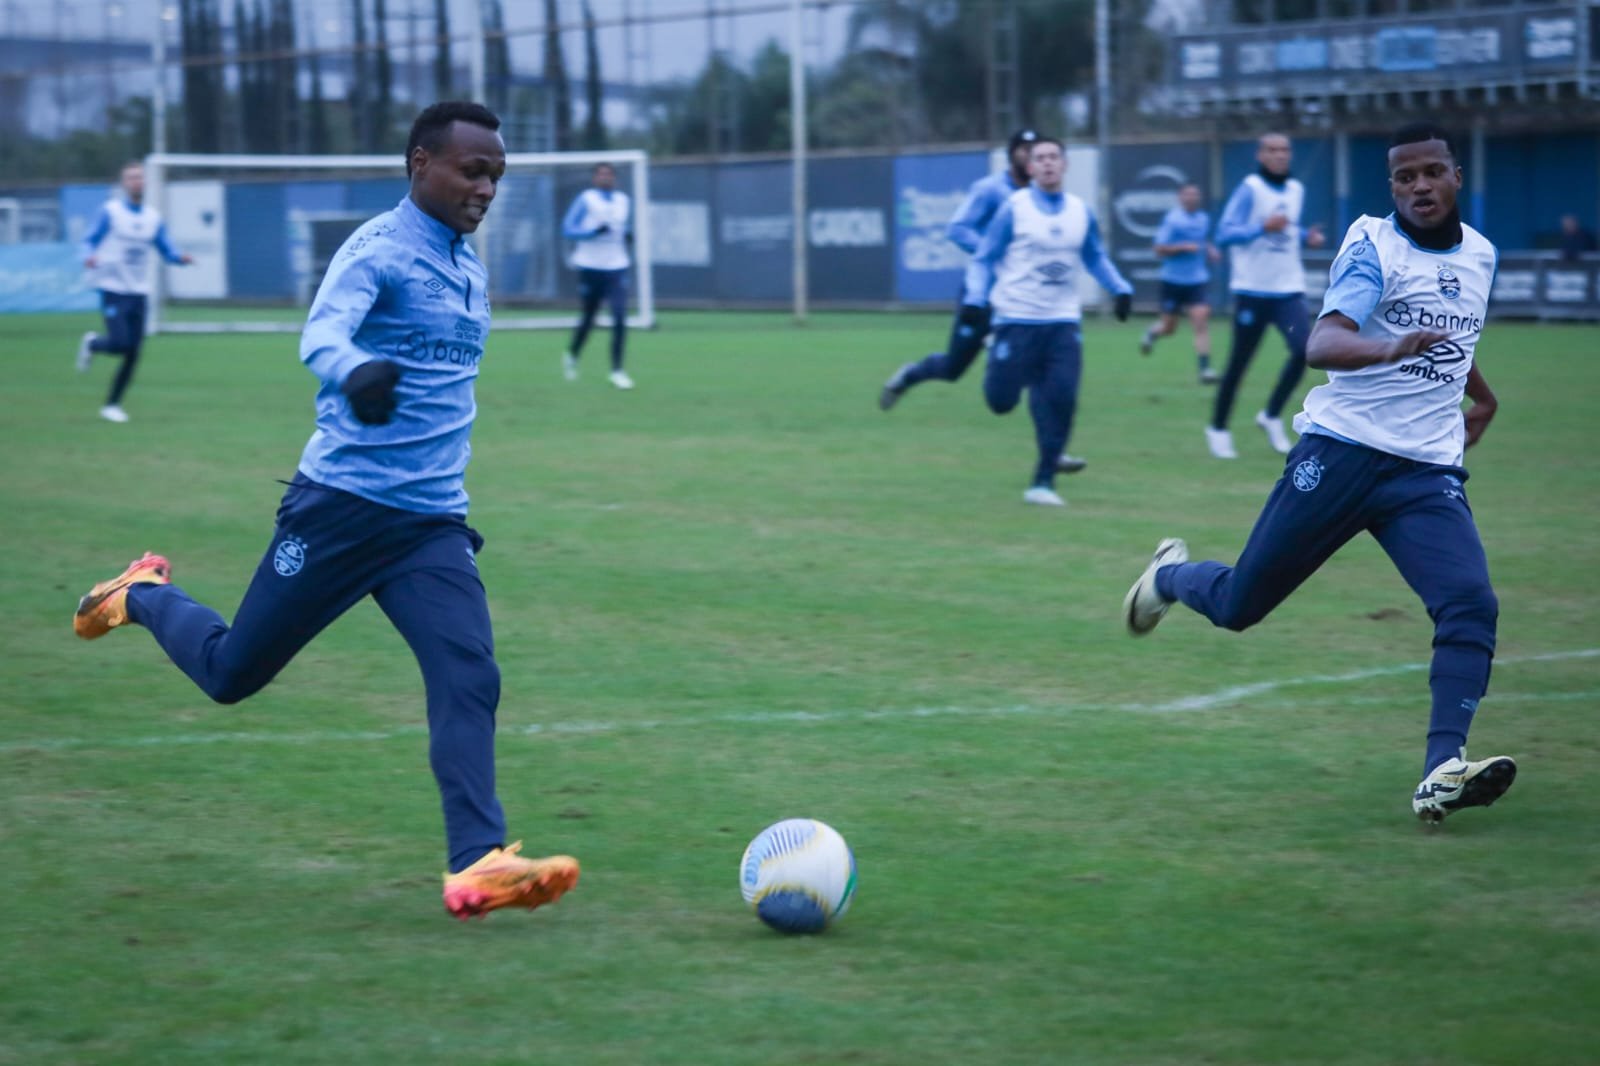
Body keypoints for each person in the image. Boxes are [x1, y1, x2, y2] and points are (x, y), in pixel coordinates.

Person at [71, 102, 581, 920]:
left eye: (496, 176)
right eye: (471, 170)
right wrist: (354, 372)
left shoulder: (466, 263)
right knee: (231, 674)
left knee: (469, 673)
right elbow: (321, 333)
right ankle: (139, 594)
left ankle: (476, 861)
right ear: (420, 164)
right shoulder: (378, 249)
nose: (485, 188)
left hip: (428, 525)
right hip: (338, 513)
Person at [1123, 121, 1514, 824]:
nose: (1420, 186)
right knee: (1242, 604)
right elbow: (1324, 340)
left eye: (1432, 172)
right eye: (1405, 177)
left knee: (1471, 603)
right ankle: (1168, 578)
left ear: (1457, 176)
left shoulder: (1481, 255)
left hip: (1423, 471)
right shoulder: (1373, 244)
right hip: (1341, 453)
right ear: (1391, 186)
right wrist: (1389, 345)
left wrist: (1480, 394)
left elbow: (1452, 332)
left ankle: (1441, 769)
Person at [880, 128, 1089, 474]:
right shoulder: (991, 190)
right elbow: (958, 228)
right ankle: (910, 375)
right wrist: (996, 252)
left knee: (1040, 375)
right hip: (983, 296)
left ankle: (1053, 451)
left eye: (1034, 151)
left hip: (1026, 302)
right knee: (953, 368)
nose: (1029, 156)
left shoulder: (1046, 199)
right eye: (1023, 150)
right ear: (1012, 156)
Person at [964, 136, 1133, 507]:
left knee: (1062, 397)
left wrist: (1120, 289)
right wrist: (976, 299)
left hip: (1062, 322)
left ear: (1065, 164)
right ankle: (997, 361)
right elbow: (983, 257)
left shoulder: (1080, 211)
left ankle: (1042, 482)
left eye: (1054, 157)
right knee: (1001, 401)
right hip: (1016, 318)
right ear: (1030, 167)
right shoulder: (1014, 208)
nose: (1047, 163)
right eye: (1039, 158)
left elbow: (1095, 257)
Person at [1207, 133, 1326, 459]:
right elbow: (1225, 233)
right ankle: (1218, 428)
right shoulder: (1251, 189)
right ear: (1260, 155)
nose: (1280, 155)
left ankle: (1270, 414)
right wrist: (1262, 227)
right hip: (1252, 290)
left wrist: (1306, 236)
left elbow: (1286, 229)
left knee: (1305, 351)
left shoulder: (1295, 190)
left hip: (1288, 289)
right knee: (1239, 364)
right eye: (1272, 150)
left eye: (1285, 150)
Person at [75, 160, 193, 423]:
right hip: (114, 289)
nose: (136, 181)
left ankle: (112, 405)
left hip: (139, 292)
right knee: (120, 343)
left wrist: (180, 258)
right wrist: (88, 256)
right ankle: (93, 343)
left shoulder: (153, 219)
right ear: (123, 183)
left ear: (146, 182)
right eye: (131, 177)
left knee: (133, 352)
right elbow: (89, 240)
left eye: (140, 177)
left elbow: (166, 248)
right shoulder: (111, 212)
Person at [1138, 182, 1221, 385]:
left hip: (1197, 280)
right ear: (1180, 197)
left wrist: (1210, 249)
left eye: (1195, 194)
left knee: (1201, 322)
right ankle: (1152, 332)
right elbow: (1158, 248)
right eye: (1187, 194)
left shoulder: (1203, 219)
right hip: (1173, 281)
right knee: (1169, 328)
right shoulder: (1172, 220)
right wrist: (1182, 247)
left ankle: (1205, 370)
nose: (1192, 198)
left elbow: (1201, 241)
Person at [560, 162, 634, 390]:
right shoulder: (586, 199)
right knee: (589, 318)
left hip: (617, 265)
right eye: (601, 174)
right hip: (590, 266)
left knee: (620, 317)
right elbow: (567, 229)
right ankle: (572, 355)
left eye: (609, 174)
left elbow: (625, 229)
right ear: (594, 178)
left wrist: (629, 235)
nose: (605, 178)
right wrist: (593, 233)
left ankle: (617, 371)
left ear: (615, 178)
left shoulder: (623, 201)